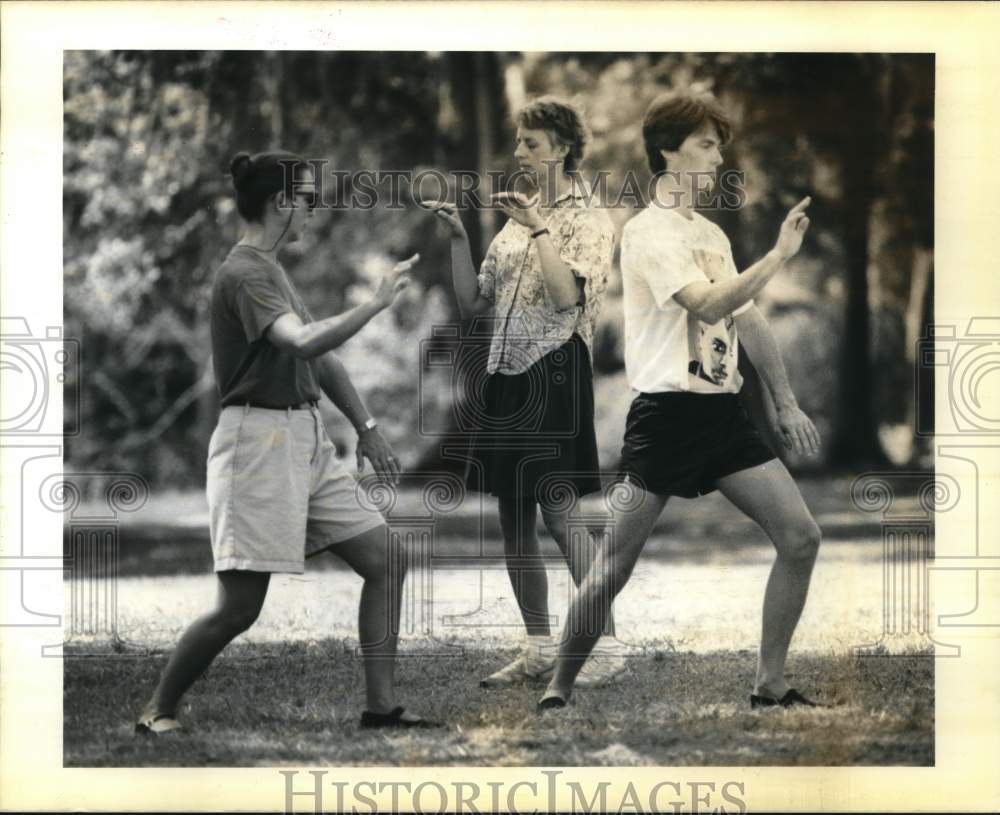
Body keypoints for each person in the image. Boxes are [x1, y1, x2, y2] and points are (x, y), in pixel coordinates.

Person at [539, 89, 824, 711]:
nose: (717, 155)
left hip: (722, 416)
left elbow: (746, 321)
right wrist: (777, 256)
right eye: (704, 143)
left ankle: (770, 685)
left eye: (719, 144)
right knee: (613, 566)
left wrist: (784, 403)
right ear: (668, 152)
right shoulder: (645, 233)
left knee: (800, 537)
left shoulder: (712, 236)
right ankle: (558, 687)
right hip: (666, 417)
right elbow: (707, 304)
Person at [135, 150, 437, 733]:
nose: (312, 210)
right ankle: (157, 710)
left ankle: (381, 708)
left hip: (305, 438)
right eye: (308, 198)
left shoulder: (271, 269)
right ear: (281, 203)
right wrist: (374, 304)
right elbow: (301, 342)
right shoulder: (245, 273)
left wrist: (367, 427)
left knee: (386, 559)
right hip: (258, 444)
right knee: (240, 608)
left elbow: (319, 360)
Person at [426, 97, 624, 688]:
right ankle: (539, 646)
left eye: (530, 144)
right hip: (504, 374)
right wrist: (460, 238)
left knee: (561, 516)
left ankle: (605, 648)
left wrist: (540, 229)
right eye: (517, 142)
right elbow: (473, 303)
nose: (519, 153)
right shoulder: (515, 219)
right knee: (512, 518)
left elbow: (567, 299)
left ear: (562, 148)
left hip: (556, 370)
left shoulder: (590, 221)